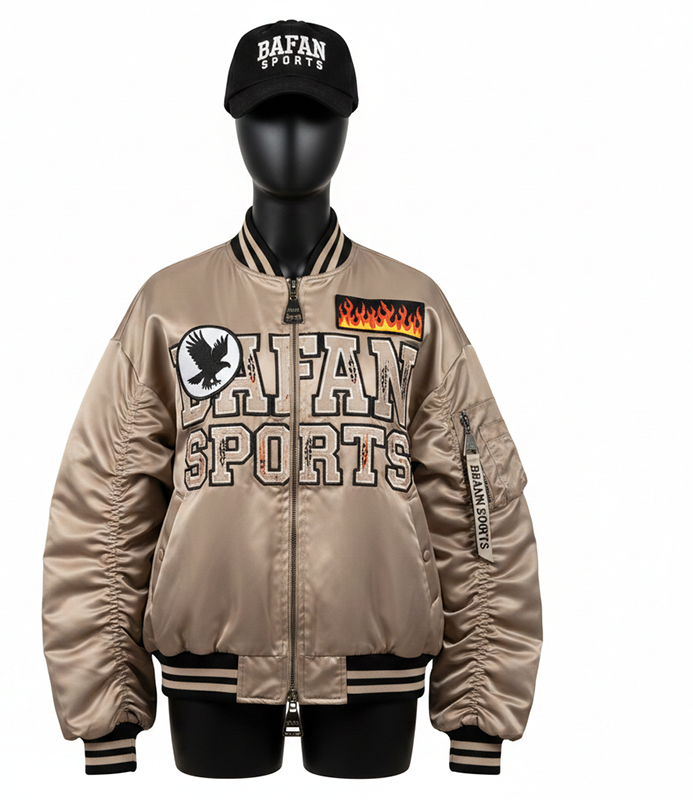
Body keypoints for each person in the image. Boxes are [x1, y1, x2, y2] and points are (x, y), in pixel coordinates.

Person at [42, 20, 542, 779]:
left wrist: (479, 710)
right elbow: (103, 509)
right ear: (237, 126)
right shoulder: (168, 307)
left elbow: (480, 510)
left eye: (314, 114)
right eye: (269, 114)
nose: (290, 136)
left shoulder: (412, 307)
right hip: (208, 687)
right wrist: (106, 713)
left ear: (345, 127)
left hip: (378, 687)